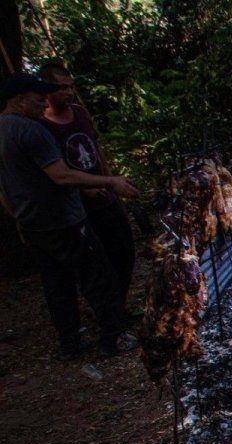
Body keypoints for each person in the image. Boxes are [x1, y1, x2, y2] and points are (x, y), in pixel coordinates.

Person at [0, 72, 139, 359]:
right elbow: (61, 175)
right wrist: (110, 181)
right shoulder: (32, 131)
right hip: (64, 219)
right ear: (20, 100)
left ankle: (69, 343)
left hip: (33, 222)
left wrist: (17, 214)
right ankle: (114, 337)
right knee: (97, 276)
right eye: (39, 100)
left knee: (57, 283)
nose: (44, 105)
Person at [38, 63, 136, 310]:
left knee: (124, 251)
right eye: (62, 88)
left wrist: (111, 182)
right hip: (76, 208)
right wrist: (83, 189)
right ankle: (108, 313)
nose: (69, 92)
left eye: (71, 87)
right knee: (94, 263)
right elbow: (53, 174)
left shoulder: (80, 113)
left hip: (105, 196)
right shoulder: (41, 125)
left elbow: (96, 150)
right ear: (47, 90)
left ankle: (118, 304)